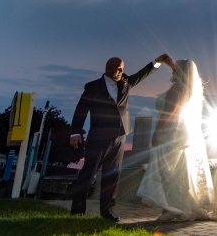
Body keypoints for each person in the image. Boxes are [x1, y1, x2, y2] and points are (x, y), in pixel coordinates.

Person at [68, 53, 173, 220]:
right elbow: (81, 110)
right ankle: (78, 211)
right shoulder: (92, 87)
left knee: (112, 175)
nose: (121, 72)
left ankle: (107, 211)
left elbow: (141, 74)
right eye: (118, 69)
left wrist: (156, 62)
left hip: (120, 136)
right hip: (98, 136)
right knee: (88, 174)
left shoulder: (125, 83)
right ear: (109, 69)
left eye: (123, 69)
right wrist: (75, 132)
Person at [137, 59, 215, 221]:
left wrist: (156, 133)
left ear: (180, 72)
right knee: (180, 171)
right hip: (184, 133)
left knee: (166, 171)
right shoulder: (190, 89)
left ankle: (169, 209)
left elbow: (169, 113)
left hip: (170, 133)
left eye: (175, 70)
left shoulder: (176, 89)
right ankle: (187, 205)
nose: (172, 72)